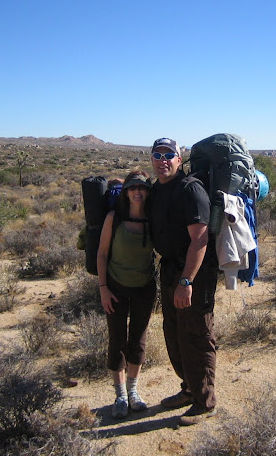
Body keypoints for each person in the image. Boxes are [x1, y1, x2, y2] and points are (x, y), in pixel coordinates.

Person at [148, 138, 219, 426]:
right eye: (157, 155)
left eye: (169, 155)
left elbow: (200, 239)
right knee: (174, 332)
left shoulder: (190, 189)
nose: (163, 160)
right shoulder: (156, 190)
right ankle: (189, 389)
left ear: (180, 160)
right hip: (169, 269)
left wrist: (186, 281)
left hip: (194, 273)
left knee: (196, 334)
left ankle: (205, 402)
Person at [97, 170, 156, 419]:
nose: (137, 192)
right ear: (126, 191)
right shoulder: (114, 218)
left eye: (142, 188)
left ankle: (133, 392)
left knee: (138, 339)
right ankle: (120, 395)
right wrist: (103, 289)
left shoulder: (154, 219)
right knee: (117, 340)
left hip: (145, 286)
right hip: (116, 286)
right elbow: (101, 254)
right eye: (133, 188)